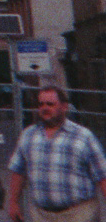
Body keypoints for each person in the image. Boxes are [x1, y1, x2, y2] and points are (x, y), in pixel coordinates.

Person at [7, 85, 106, 222]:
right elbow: (18, 171)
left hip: (79, 214)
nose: (45, 108)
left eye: (50, 104)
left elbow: (102, 175)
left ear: (64, 107)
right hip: (41, 215)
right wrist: (13, 202)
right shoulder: (28, 135)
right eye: (41, 104)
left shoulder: (83, 137)